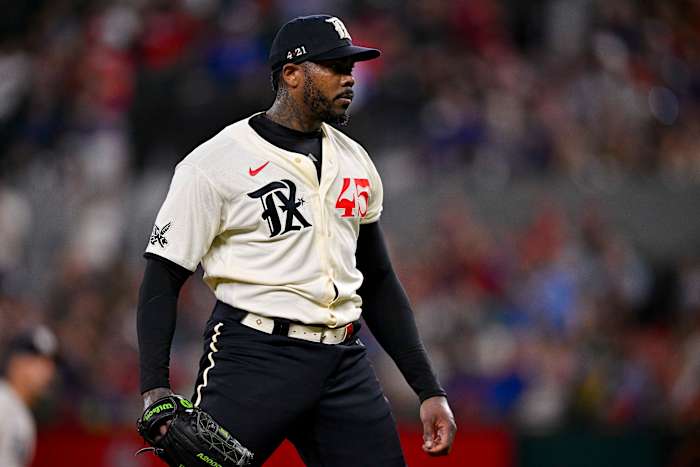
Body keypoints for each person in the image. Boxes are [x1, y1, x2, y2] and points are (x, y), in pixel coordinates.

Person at [137, 14, 456, 466]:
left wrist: (428, 390)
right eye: (336, 67)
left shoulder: (355, 160)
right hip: (253, 356)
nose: (350, 78)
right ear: (291, 74)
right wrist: (154, 389)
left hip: (343, 360)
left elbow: (379, 280)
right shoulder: (215, 163)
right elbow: (162, 277)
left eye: (351, 68)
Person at [0, 326, 58, 467]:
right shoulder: (3, 402)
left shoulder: (21, 414)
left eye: (50, 363)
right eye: (37, 361)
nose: (47, 371)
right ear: (15, 363)